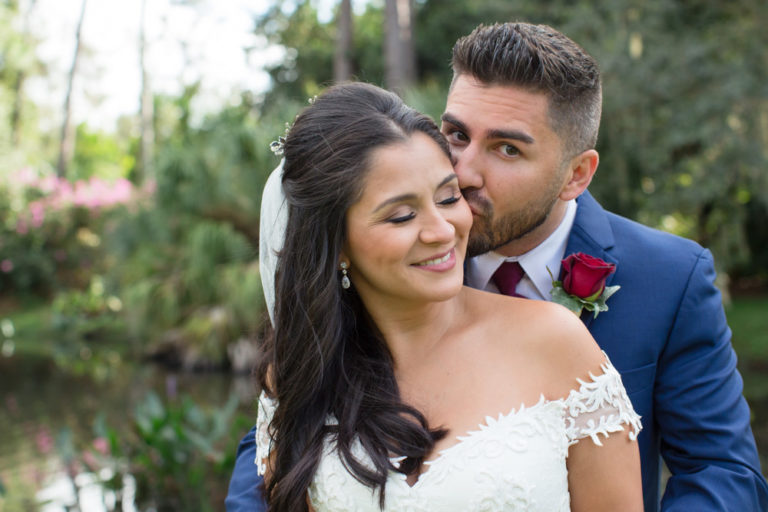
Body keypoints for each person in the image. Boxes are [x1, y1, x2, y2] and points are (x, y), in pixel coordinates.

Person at [227, 22, 768, 511]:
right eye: (457, 135)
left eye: (506, 149)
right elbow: (283, 435)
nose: (462, 172)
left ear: (576, 174)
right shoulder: (384, 268)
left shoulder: (668, 278)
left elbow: (721, 472)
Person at [243, 81, 643, 511]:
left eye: (449, 197)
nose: (443, 230)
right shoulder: (301, 374)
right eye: (402, 215)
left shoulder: (554, 342)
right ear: (336, 242)